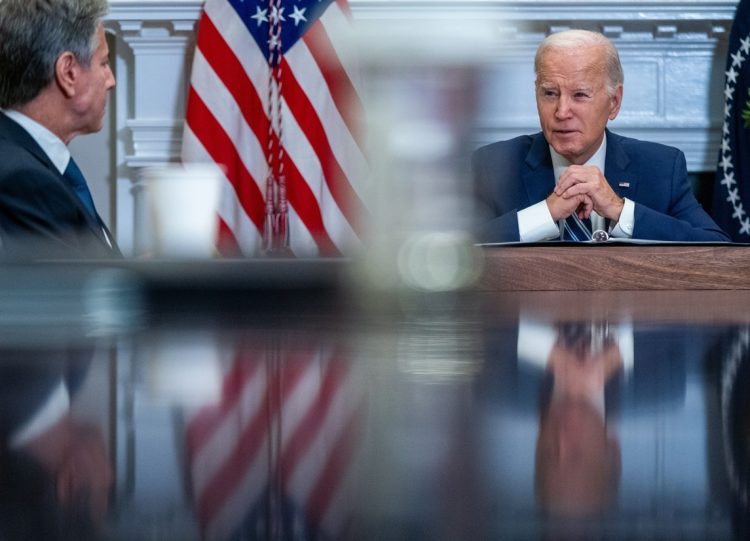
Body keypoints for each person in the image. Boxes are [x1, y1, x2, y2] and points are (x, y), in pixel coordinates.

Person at [472, 29, 729, 243]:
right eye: (550, 93)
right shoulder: (494, 165)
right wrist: (545, 214)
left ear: (614, 102)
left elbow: (718, 250)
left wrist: (619, 209)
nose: (562, 112)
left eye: (580, 95)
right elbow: (453, 252)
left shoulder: (661, 167)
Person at [0, 0, 120, 258]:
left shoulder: (30, 159)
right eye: (104, 63)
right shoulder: (21, 178)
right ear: (68, 73)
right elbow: (76, 291)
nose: (111, 80)